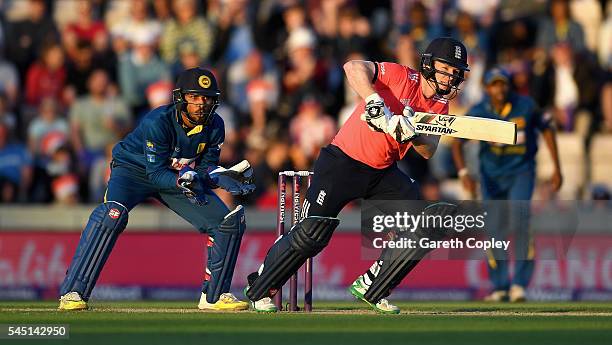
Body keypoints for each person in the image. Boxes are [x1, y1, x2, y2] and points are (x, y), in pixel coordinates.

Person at [244, 37, 470, 313]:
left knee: (424, 226)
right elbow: (352, 67)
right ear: (428, 65)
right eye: (446, 68)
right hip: (342, 162)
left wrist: (413, 132)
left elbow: (427, 150)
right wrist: (374, 100)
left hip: (383, 172)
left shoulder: (438, 105)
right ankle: (259, 288)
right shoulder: (400, 75)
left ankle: (373, 285)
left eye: (456, 71)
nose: (451, 76)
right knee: (311, 233)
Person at [58, 67, 256, 311]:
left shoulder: (215, 125)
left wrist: (217, 176)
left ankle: (213, 296)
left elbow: (205, 168)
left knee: (227, 222)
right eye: (194, 97)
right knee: (111, 216)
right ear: (181, 98)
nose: (201, 104)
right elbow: (155, 173)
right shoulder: (158, 121)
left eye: (206, 98)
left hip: (175, 176)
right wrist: (185, 178)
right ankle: (73, 292)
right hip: (133, 171)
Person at [451, 67, 562, 302]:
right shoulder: (479, 110)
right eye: (494, 84)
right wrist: (463, 173)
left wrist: (557, 167)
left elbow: (548, 130)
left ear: (509, 86)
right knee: (494, 229)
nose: (499, 89)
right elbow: (456, 141)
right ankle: (500, 286)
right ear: (486, 88)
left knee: (520, 220)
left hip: (521, 171)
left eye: (503, 84)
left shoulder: (526, 105)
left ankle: (519, 284)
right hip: (491, 175)